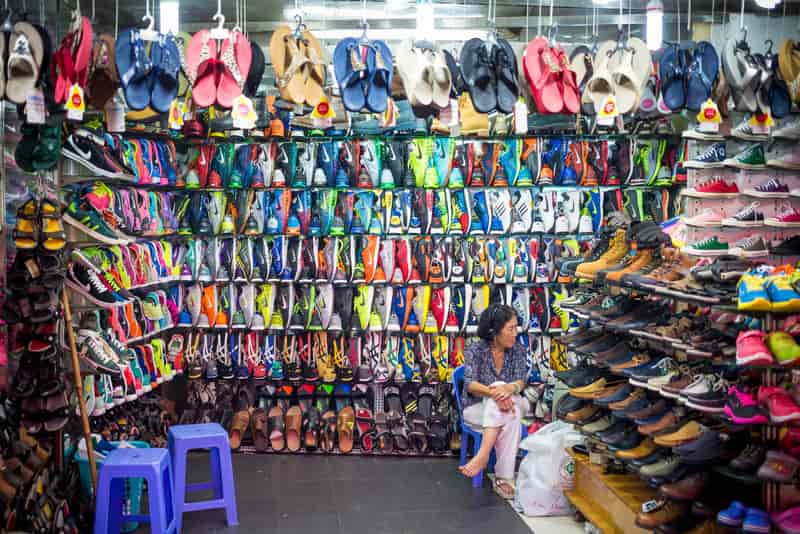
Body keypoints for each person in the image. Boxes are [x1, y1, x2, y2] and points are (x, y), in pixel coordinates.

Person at [458, 304, 529, 499]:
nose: (516, 333)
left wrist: (509, 389)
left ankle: (482, 455)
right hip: (477, 408)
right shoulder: (475, 349)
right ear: (494, 332)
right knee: (508, 412)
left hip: (512, 401)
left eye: (516, 327)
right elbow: (471, 384)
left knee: (507, 402)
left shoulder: (518, 349)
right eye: (511, 328)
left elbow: (521, 381)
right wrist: (498, 392)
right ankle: (504, 479)